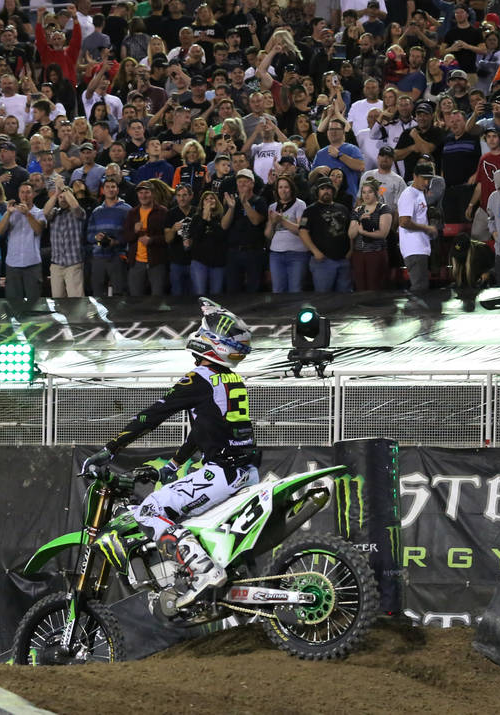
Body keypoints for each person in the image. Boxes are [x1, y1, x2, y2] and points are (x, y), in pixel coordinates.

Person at [82, 298, 259, 609]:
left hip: (223, 473)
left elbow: (151, 415)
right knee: (188, 523)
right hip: (245, 471)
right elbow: (205, 429)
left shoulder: (198, 380)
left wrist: (110, 449)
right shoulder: (231, 379)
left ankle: (204, 573)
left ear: (211, 342)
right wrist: (175, 463)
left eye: (204, 329)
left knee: (152, 509)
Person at [299, 179, 353, 292]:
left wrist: (351, 250)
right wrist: (315, 252)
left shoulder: (343, 208)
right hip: (322, 261)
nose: (326, 191)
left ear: (333, 191)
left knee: (346, 297)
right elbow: (303, 232)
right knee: (323, 297)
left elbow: (351, 231)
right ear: (317, 191)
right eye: (322, 189)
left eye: (328, 188)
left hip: (343, 259)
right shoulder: (310, 210)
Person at [0, 182, 44, 300]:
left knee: (34, 301)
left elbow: (38, 230)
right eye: (22, 192)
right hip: (13, 264)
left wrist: (27, 214)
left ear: (33, 194)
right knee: (14, 302)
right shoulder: (12, 213)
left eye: (28, 192)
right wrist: (8, 213)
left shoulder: (39, 213)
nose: (25, 195)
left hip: (32, 263)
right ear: (18, 194)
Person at [123, 180, 170, 295]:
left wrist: (152, 240)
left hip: (156, 262)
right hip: (136, 262)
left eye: (146, 192)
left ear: (153, 193)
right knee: (135, 298)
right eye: (140, 193)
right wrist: (134, 231)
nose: (143, 196)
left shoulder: (163, 212)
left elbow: (168, 238)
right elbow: (126, 237)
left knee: (157, 298)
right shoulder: (132, 213)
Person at [398, 162, 437, 292]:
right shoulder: (409, 194)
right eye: (424, 178)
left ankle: (418, 312)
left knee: (422, 287)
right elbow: (404, 222)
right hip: (413, 248)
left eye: (429, 179)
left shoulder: (419, 193)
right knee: (419, 288)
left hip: (420, 247)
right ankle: (415, 313)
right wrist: (427, 228)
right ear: (415, 176)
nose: (426, 182)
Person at [265, 176, 308, 293]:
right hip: (276, 254)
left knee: (295, 289)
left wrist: (282, 220)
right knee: (277, 289)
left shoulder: (300, 204)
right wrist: (272, 223)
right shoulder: (272, 207)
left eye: (286, 187)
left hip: (297, 254)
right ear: (276, 190)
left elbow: (301, 230)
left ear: (291, 189)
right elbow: (268, 235)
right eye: (280, 187)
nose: (283, 190)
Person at [349, 179, 392, 291]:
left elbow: (383, 233)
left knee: (375, 285)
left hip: (376, 253)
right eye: (364, 192)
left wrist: (364, 232)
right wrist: (359, 219)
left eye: (369, 192)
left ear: (376, 193)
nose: (366, 195)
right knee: (360, 285)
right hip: (359, 253)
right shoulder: (358, 210)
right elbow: (351, 234)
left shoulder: (383, 209)